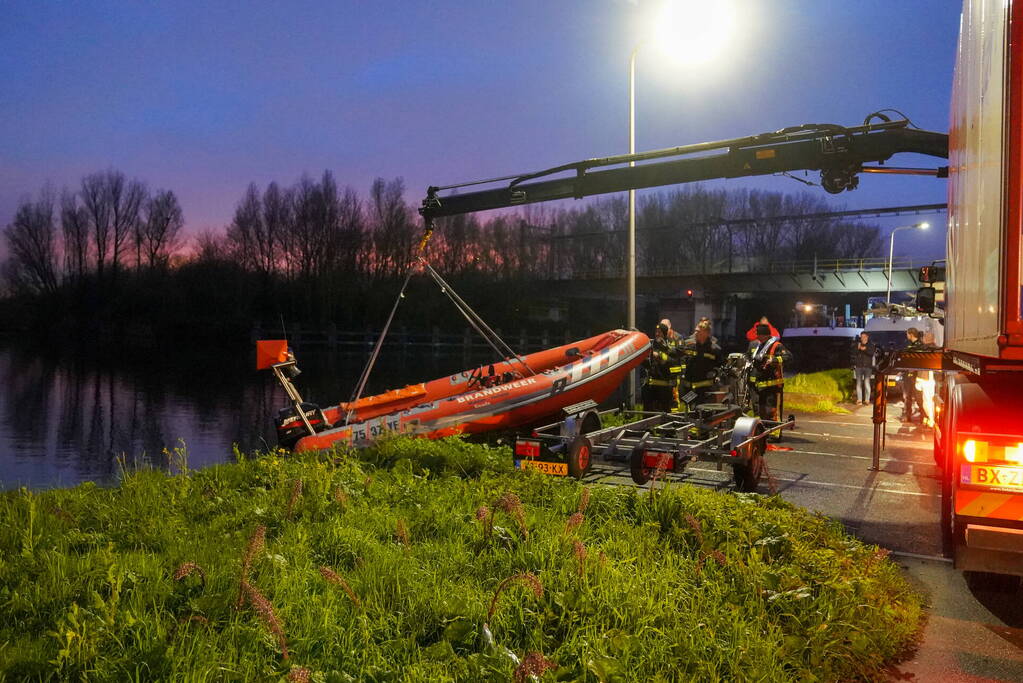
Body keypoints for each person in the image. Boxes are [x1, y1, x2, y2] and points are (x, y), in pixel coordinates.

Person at [747, 324, 792, 429]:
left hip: (771, 385)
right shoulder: (755, 345)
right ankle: (761, 432)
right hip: (757, 385)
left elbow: (788, 357)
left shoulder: (777, 346)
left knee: (771, 410)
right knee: (758, 410)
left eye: (760, 335)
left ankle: (774, 433)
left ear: (766, 335)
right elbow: (749, 357)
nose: (758, 337)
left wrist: (774, 360)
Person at [680, 320, 724, 406]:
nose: (695, 333)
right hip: (689, 390)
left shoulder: (714, 349)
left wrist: (715, 373)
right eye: (695, 330)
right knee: (686, 412)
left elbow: (721, 365)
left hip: (704, 391)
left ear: (706, 333)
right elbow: (681, 359)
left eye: (698, 331)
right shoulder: (689, 345)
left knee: (702, 414)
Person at [643, 322, 679, 413]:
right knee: (648, 413)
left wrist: (659, 356)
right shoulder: (651, 345)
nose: (657, 334)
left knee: (665, 413)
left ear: (664, 333)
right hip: (651, 386)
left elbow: (674, 362)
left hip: (665, 387)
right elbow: (647, 363)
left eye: (659, 332)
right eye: (656, 331)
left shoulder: (670, 346)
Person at [901, 327, 926, 422]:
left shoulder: (919, 346)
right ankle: (909, 416)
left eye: (907, 334)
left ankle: (923, 416)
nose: (906, 336)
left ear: (911, 334)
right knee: (908, 396)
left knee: (917, 396)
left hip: (915, 375)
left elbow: (920, 361)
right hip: (910, 374)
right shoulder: (911, 345)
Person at [850, 331, 875, 405]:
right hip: (859, 366)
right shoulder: (857, 344)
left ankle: (867, 400)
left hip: (868, 367)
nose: (862, 338)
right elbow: (853, 352)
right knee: (858, 383)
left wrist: (865, 349)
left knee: (867, 383)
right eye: (861, 337)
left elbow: (871, 353)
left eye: (864, 337)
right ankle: (859, 400)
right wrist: (858, 348)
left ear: (867, 337)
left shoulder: (871, 345)